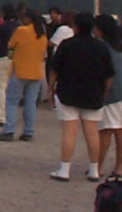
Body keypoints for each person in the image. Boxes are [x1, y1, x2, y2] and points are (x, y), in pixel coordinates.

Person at [49, 13, 115, 182]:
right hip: (94, 94)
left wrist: (51, 89)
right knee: (92, 132)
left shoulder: (67, 45)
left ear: (75, 27)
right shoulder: (101, 48)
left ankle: (64, 169)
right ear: (93, 27)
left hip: (68, 92)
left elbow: (55, 69)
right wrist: (104, 93)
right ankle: (94, 169)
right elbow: (109, 75)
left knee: (69, 131)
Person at [0, 10, 48, 142]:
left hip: (20, 70)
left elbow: (10, 46)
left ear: (27, 19)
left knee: (12, 101)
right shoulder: (42, 35)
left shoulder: (21, 31)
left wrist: (12, 56)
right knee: (30, 103)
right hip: (36, 72)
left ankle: (9, 130)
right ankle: (28, 131)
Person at [96, 14, 122, 178]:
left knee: (105, 131)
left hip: (111, 92)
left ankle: (97, 166)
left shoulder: (102, 47)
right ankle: (119, 167)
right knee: (119, 130)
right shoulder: (118, 45)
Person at [0, 5, 19, 126]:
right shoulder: (19, 26)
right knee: (10, 87)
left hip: (2, 57)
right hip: (15, 58)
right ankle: (10, 114)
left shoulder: (3, 26)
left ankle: (1, 116)